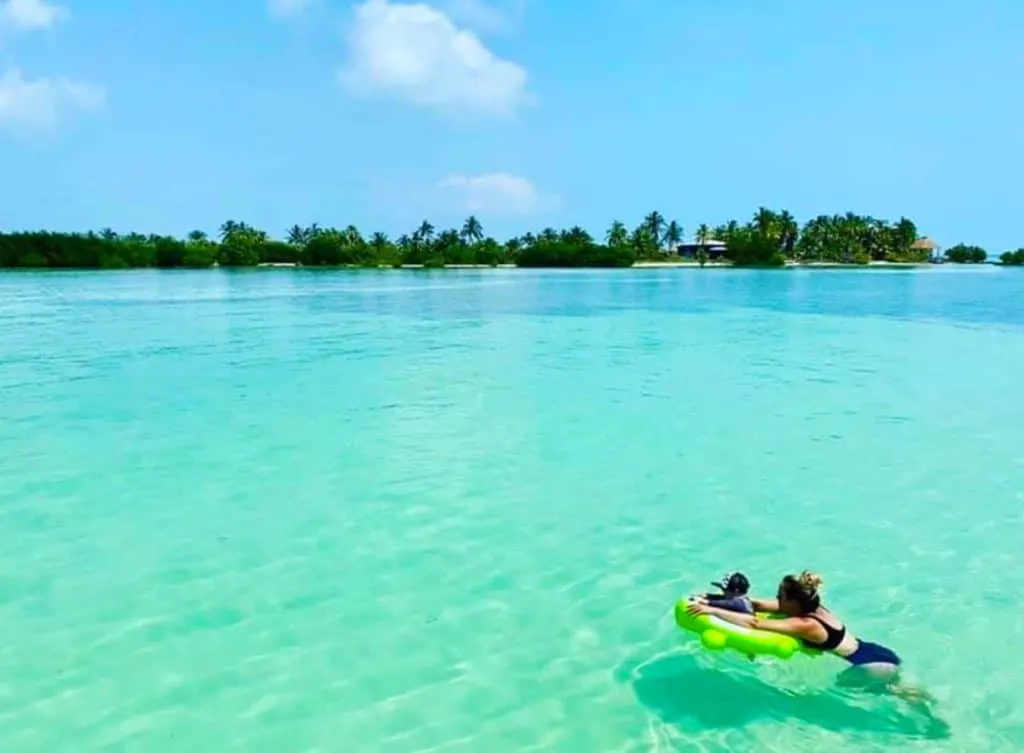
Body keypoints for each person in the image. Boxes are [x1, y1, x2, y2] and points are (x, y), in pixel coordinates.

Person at [686, 571, 935, 706]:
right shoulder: (814, 608)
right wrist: (709, 598)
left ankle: (920, 706)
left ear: (793, 602)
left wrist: (712, 611)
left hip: (868, 666)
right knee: (897, 688)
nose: (778, 600)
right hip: (878, 652)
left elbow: (755, 622)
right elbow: (755, 603)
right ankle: (927, 703)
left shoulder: (805, 624)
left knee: (855, 694)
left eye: (781, 596)